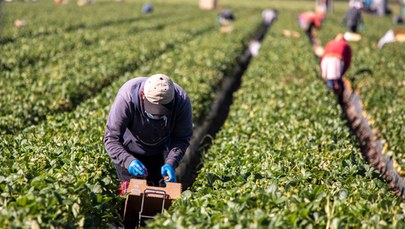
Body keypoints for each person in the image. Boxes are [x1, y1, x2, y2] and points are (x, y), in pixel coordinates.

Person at [104, 74, 193, 188]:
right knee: (133, 194)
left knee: (160, 195)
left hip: (161, 152)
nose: (157, 116)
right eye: (153, 110)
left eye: (162, 111)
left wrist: (171, 162)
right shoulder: (127, 97)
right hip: (129, 151)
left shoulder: (181, 101)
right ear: (143, 96)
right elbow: (111, 138)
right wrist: (128, 161)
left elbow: (181, 138)